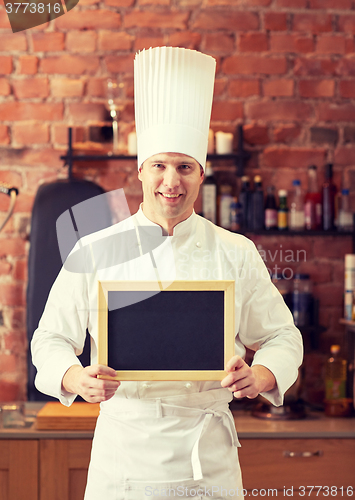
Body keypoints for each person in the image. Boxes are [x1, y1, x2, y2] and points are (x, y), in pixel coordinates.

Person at [32, 47, 303, 500]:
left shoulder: (235, 251)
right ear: (140, 171)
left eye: (184, 167)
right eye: (159, 165)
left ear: (201, 174)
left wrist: (261, 376)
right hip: (125, 459)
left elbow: (283, 337)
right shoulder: (94, 250)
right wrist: (74, 379)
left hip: (208, 459)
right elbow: (49, 339)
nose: (170, 182)